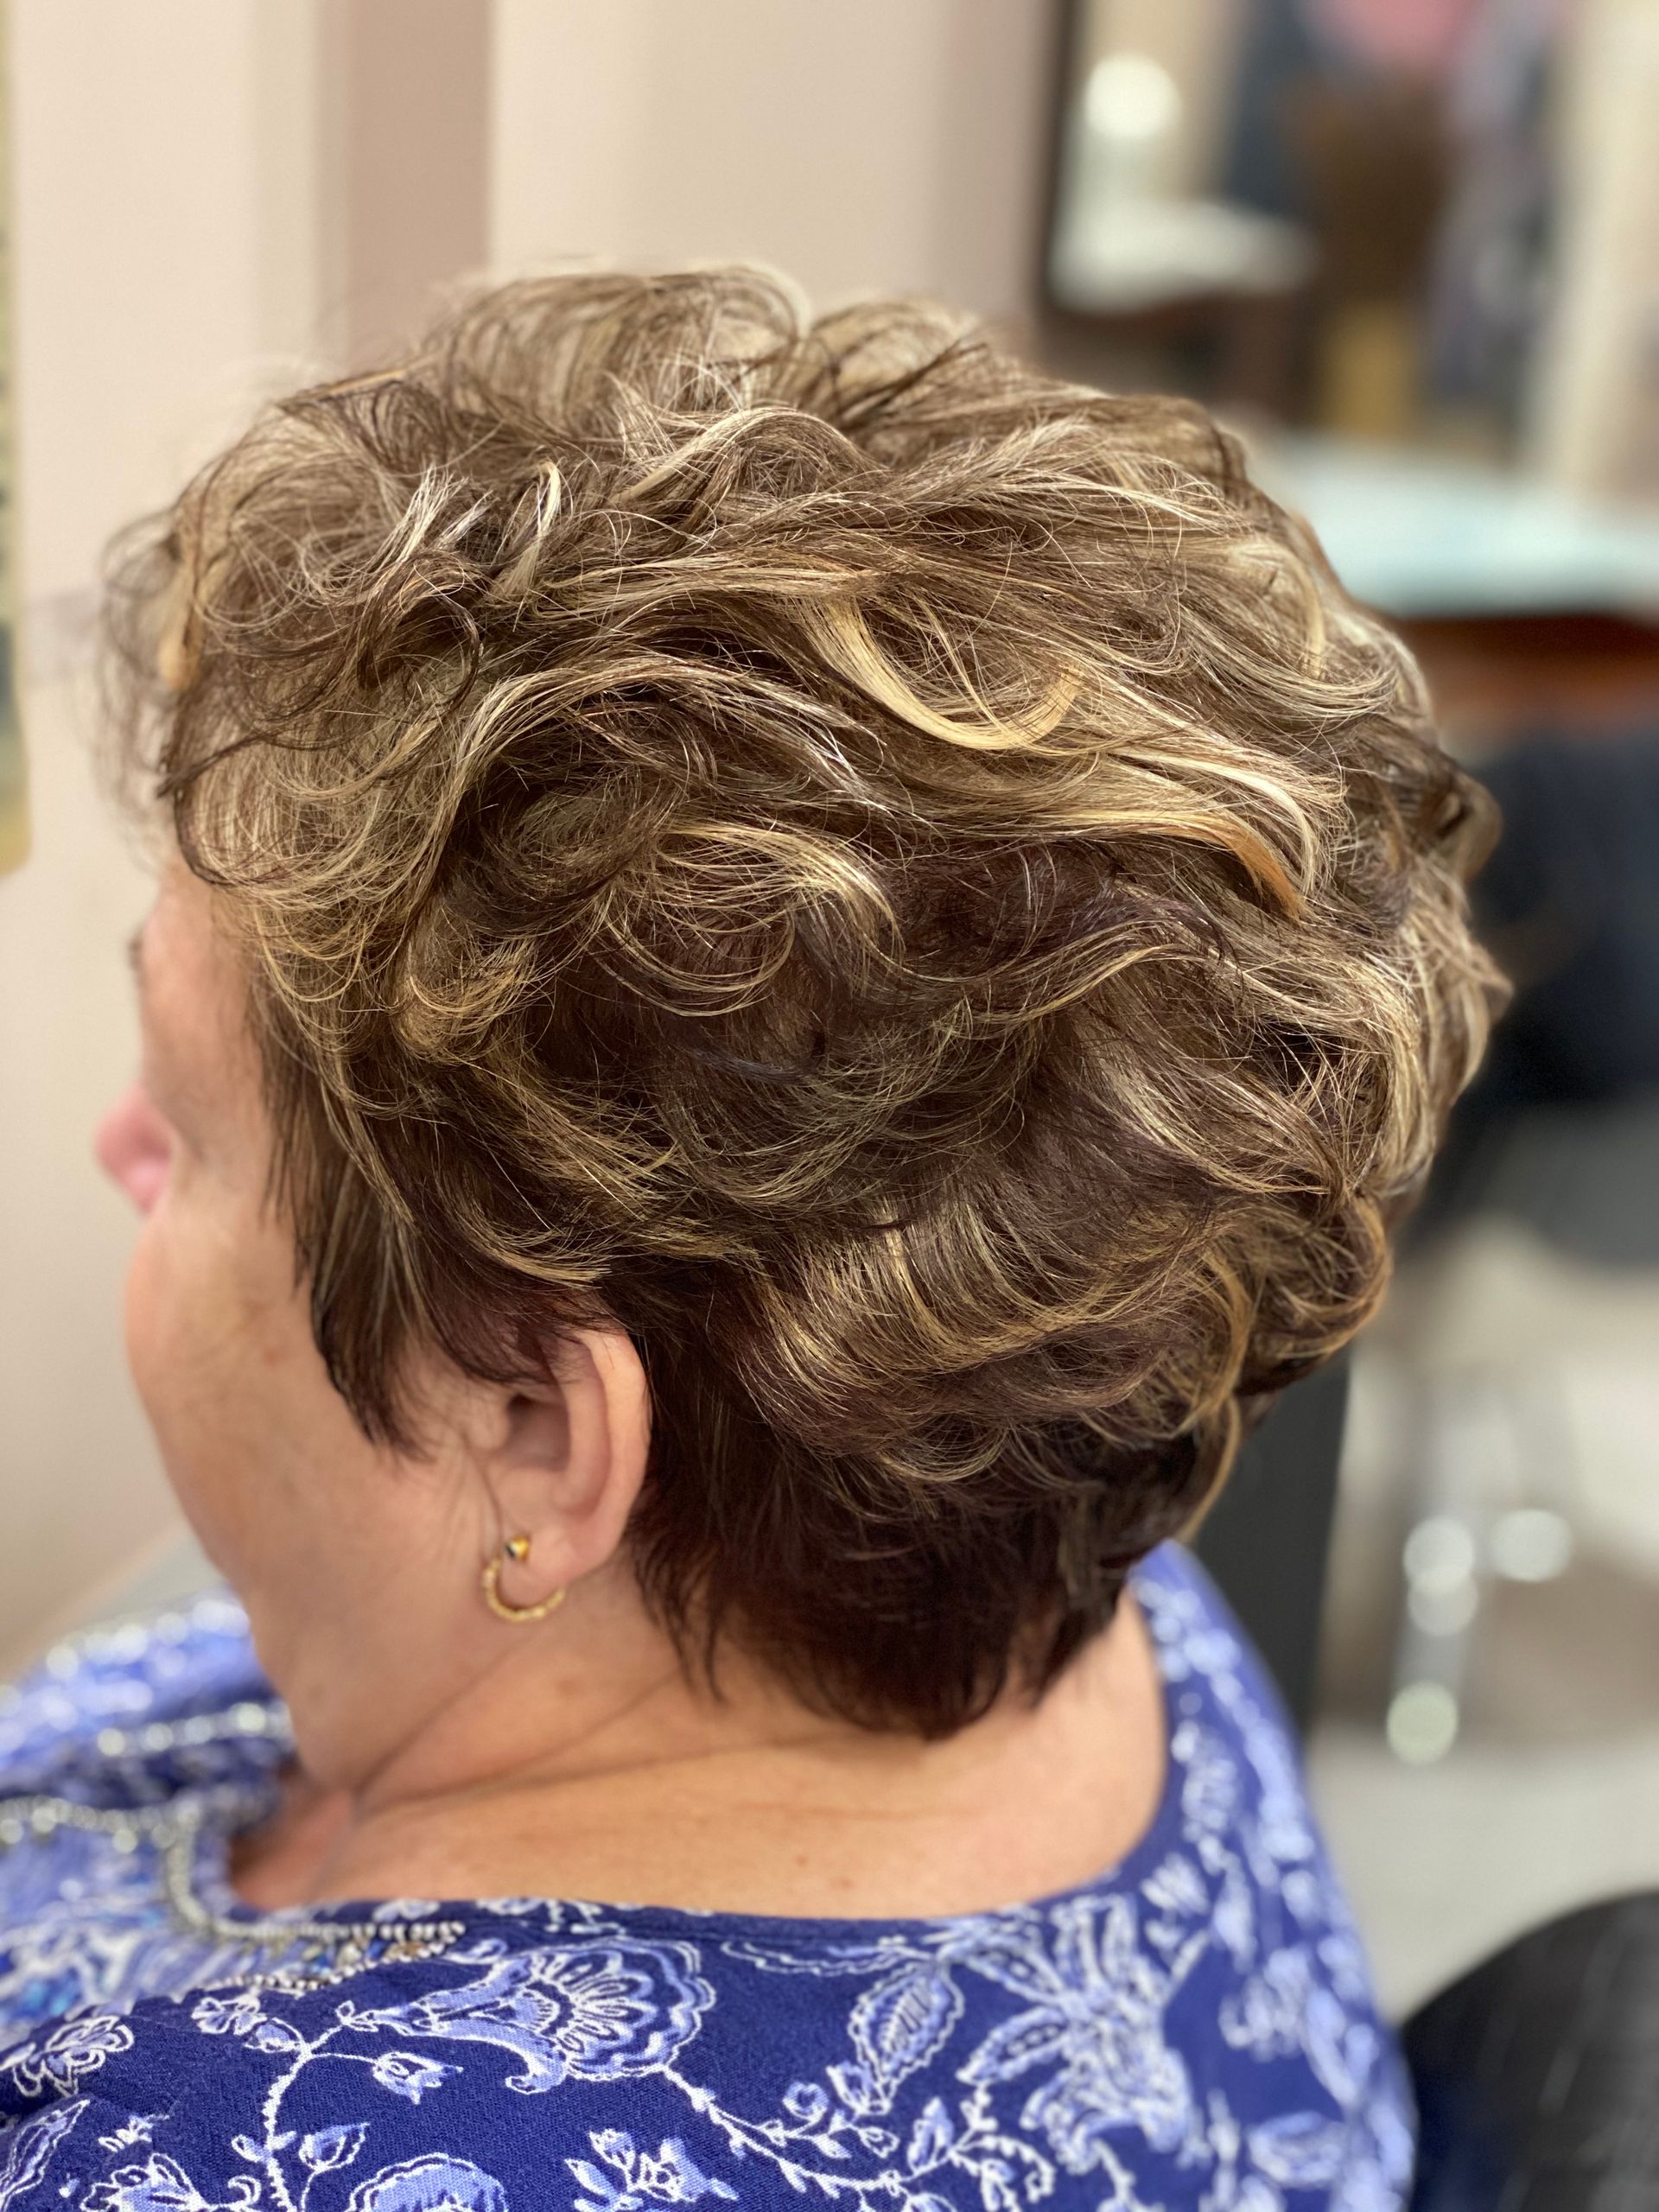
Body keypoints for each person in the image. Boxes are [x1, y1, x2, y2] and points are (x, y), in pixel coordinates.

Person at [0, 267, 1502, 2209]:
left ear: (536, 1423)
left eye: (193, 1126)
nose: (119, 1148)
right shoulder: (1071, 1574)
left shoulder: (239, 2168)